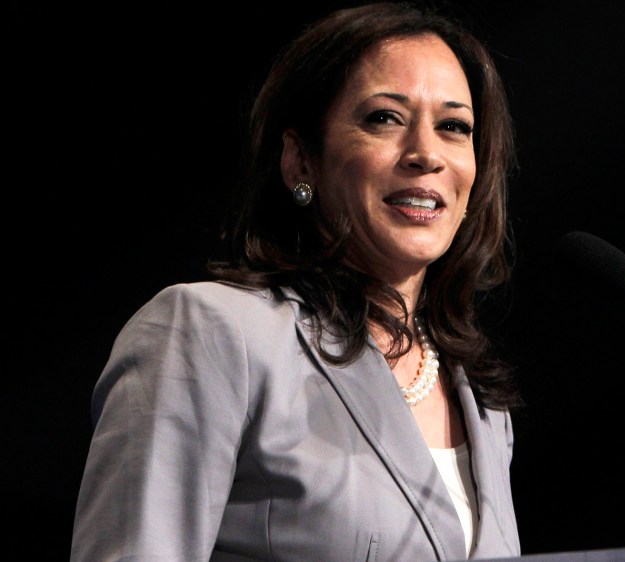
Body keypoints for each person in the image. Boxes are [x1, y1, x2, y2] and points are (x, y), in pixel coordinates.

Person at [70, 2, 522, 560]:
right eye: (384, 118)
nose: (426, 154)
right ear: (300, 161)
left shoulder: (482, 405)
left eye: (454, 127)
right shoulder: (211, 333)